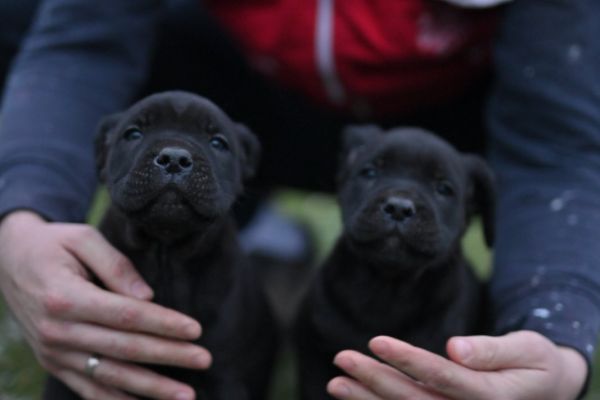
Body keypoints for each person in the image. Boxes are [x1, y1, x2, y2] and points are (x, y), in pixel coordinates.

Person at [0, 1, 597, 400]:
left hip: (453, 101)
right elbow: (81, 44)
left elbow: (559, 139)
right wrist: (23, 218)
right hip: (247, 81)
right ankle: (254, 230)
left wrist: (556, 333)